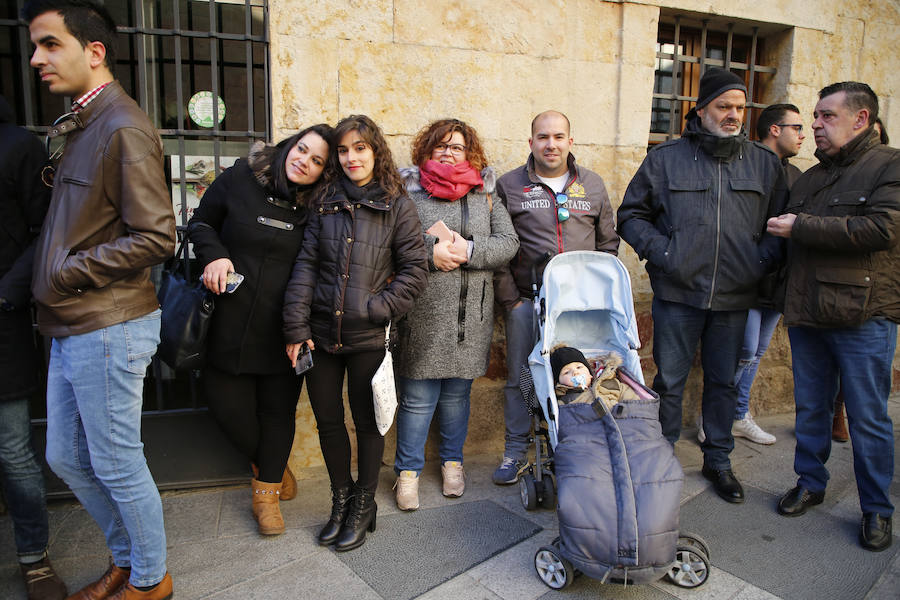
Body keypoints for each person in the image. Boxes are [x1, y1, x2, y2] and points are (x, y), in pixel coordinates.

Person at [24, 1, 177, 598]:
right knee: (66, 457)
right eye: (34, 45)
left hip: (107, 323)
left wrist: (67, 273)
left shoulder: (122, 126)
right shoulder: (84, 123)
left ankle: (150, 580)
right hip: (73, 322)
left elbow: (157, 236)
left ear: (94, 52)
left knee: (115, 460)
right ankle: (129, 559)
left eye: (49, 44)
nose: (36, 58)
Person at [617, 67, 788, 504]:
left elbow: (780, 225)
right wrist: (665, 254)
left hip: (734, 296)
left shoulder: (764, 163)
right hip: (678, 294)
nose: (733, 115)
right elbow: (631, 215)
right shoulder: (665, 159)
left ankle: (719, 460)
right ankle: (661, 457)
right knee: (670, 381)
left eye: (739, 107)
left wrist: (759, 262)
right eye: (724, 106)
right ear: (702, 110)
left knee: (723, 382)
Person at [283, 115, 427, 551]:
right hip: (320, 335)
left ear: (375, 151)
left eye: (359, 148)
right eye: (343, 150)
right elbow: (306, 266)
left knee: (368, 422)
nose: (351, 158)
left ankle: (364, 503)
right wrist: (296, 326)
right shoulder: (323, 202)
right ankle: (341, 500)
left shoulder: (397, 204)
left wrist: (374, 309)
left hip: (368, 337)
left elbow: (415, 270)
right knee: (328, 421)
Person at [767, 82, 899, 552]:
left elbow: (883, 228)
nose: (816, 125)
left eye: (827, 116)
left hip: (864, 316)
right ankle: (810, 482)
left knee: (867, 417)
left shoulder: (890, 166)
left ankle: (876, 508)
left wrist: (801, 226)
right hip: (809, 311)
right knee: (812, 407)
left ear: (861, 119)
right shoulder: (810, 178)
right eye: (815, 117)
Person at [187, 124, 332, 536]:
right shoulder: (240, 177)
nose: (304, 162)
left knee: (277, 413)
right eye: (302, 150)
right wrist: (214, 256)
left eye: (317, 161)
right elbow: (201, 223)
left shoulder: (319, 208)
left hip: (285, 327)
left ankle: (266, 496)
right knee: (226, 408)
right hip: (227, 321)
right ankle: (272, 465)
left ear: (323, 172)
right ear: (289, 146)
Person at [393, 119, 518, 510]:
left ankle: (452, 464)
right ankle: (407, 473)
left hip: (470, 318)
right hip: (421, 316)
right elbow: (393, 241)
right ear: (426, 150)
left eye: (457, 147)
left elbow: (508, 242)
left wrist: (470, 250)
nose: (448, 153)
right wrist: (430, 252)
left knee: (456, 397)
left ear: (470, 153)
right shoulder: (408, 192)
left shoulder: (485, 194)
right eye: (441, 146)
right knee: (416, 399)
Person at [492, 110, 619, 485]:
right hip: (526, 302)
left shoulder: (592, 185)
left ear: (570, 141)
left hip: (580, 308)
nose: (551, 144)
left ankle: (583, 445)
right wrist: (511, 301)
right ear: (531, 142)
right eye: (543, 137)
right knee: (521, 376)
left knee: (581, 373)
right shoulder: (510, 185)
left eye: (559, 136)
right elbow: (499, 247)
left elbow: (608, 245)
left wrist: (596, 296)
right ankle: (515, 451)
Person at [698, 103, 806, 447]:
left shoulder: (797, 175)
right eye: (796, 127)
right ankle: (714, 416)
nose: (803, 135)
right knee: (741, 350)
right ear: (775, 129)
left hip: (777, 280)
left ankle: (738, 414)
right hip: (744, 280)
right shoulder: (747, 164)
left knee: (756, 352)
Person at [0, 95, 67, 600]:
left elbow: (48, 228)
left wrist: (8, 291)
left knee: (13, 448)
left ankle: (32, 556)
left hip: (2, 320)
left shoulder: (17, 146)